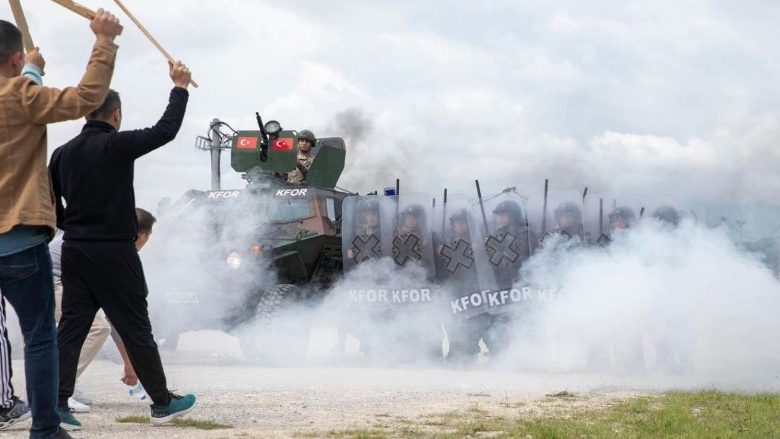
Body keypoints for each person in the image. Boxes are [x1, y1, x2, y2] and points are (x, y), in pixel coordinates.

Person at [49, 62, 196, 431]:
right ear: (116, 114)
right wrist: (179, 88)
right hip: (115, 252)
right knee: (136, 328)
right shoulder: (118, 144)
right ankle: (162, 403)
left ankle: (58, 402)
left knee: (71, 329)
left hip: (75, 251)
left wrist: (77, 228)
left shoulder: (62, 154)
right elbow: (166, 130)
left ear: (87, 113)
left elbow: (53, 209)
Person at [0, 11, 122, 439]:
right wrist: (104, 40)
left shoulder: (20, 90)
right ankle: (46, 430)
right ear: (14, 60)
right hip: (18, 242)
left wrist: (30, 69)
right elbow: (88, 96)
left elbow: (21, 87)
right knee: (39, 338)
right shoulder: (21, 96)